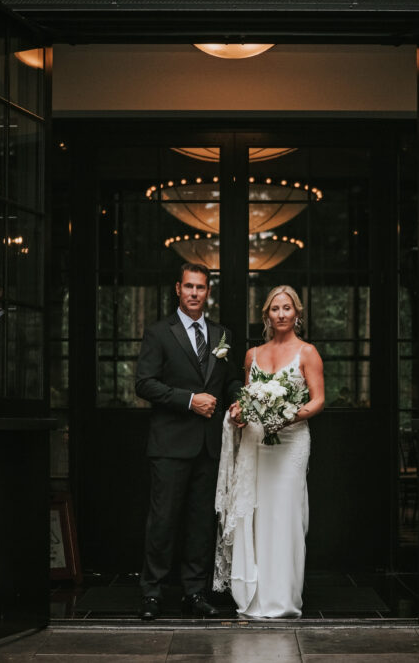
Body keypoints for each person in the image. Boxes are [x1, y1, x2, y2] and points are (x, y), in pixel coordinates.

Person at [135, 263, 243, 620]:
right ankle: (152, 594)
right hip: (169, 444)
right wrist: (189, 399)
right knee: (163, 521)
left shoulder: (221, 335)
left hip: (209, 446)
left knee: (200, 523)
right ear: (177, 289)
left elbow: (226, 383)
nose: (195, 293)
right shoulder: (158, 333)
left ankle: (195, 593)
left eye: (201, 288)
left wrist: (239, 399)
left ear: (207, 292)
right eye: (189, 287)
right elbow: (144, 383)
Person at [215, 285, 325, 618]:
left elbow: (318, 400)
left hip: (291, 443)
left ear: (297, 313)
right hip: (258, 443)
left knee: (286, 515)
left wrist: (292, 414)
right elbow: (249, 399)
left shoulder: (307, 353)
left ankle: (283, 597)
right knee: (258, 514)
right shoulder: (252, 355)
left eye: (287, 308)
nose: (281, 314)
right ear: (266, 315)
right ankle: (256, 593)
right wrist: (239, 413)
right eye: (274, 309)